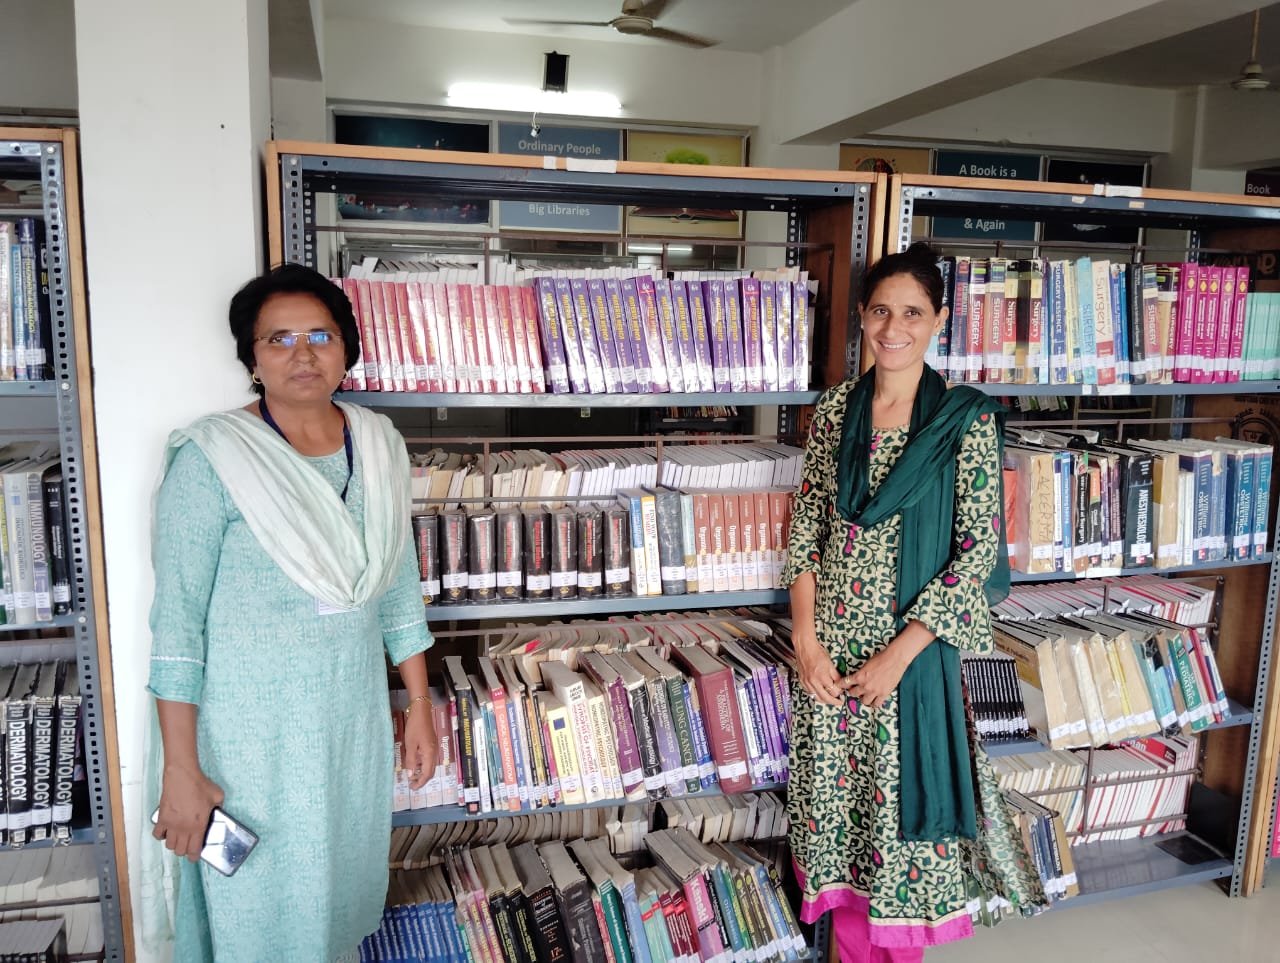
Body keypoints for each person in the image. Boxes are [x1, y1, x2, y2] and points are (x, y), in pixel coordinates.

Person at [145, 263, 436, 961]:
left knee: (334, 898)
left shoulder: (378, 445)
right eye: (278, 339)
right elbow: (178, 627)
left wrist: (420, 704)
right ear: (251, 357)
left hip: (350, 730)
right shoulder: (212, 459)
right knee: (257, 910)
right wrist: (181, 769)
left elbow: (397, 585)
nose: (302, 354)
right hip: (249, 745)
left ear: (346, 347)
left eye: (320, 335)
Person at [781, 242, 1046, 961]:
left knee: (900, 846)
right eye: (879, 311)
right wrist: (806, 641)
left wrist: (897, 658)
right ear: (863, 317)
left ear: (939, 320)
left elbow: (975, 556)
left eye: (911, 313)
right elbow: (807, 530)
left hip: (909, 666)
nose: (892, 328)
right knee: (839, 839)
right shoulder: (835, 411)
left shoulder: (965, 422)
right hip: (829, 666)